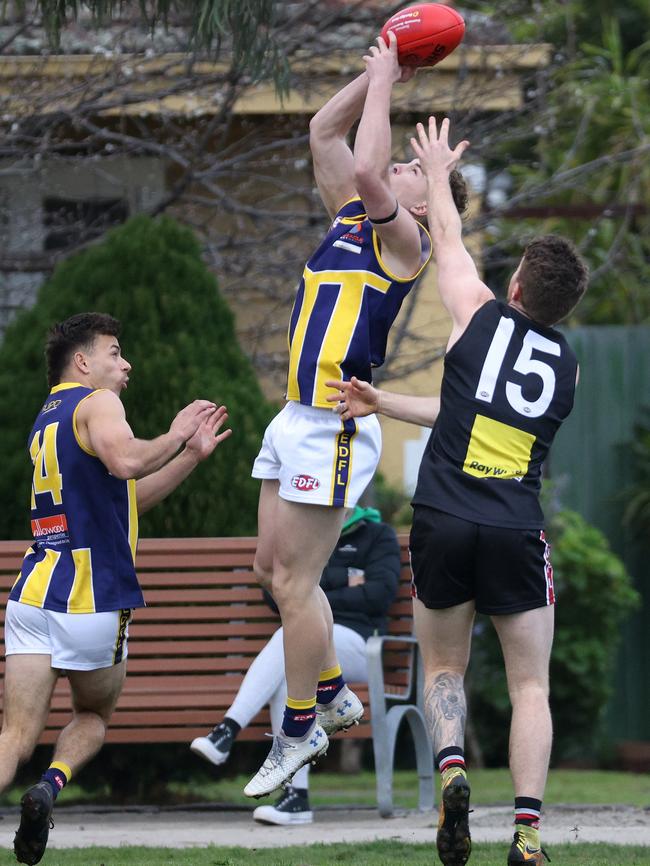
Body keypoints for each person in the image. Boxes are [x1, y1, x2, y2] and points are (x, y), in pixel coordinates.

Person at [327, 117, 589, 866]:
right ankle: (529, 834)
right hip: (513, 525)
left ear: (514, 287)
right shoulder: (568, 371)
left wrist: (438, 172)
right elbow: (471, 412)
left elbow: (444, 234)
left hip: (443, 517)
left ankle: (450, 774)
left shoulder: (477, 310)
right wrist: (387, 403)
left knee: (443, 668)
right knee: (530, 684)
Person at [245, 31, 468, 800]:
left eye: (417, 171)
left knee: (298, 584)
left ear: (419, 203)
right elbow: (324, 134)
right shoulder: (347, 215)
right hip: (294, 416)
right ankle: (335, 689)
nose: (404, 165)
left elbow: (372, 164)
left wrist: (386, 81)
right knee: (269, 571)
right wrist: (386, 68)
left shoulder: (406, 241)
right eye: (404, 163)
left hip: (336, 423)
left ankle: (302, 726)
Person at [3, 312, 231, 866]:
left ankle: (32, 788)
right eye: (114, 352)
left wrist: (190, 457)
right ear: (83, 362)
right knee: (94, 718)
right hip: (92, 599)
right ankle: (50, 788)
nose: (125, 364)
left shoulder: (48, 415)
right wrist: (177, 433)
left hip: (33, 594)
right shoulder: (97, 402)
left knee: (14, 734)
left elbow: (127, 500)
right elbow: (126, 461)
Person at [190, 506, 400, 824]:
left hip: (359, 646)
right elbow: (276, 595)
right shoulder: (306, 531)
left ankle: (227, 730)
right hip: (312, 647)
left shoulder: (377, 535)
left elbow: (379, 594)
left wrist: (312, 589)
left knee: (289, 638)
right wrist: (345, 579)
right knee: (292, 673)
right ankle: (296, 799)